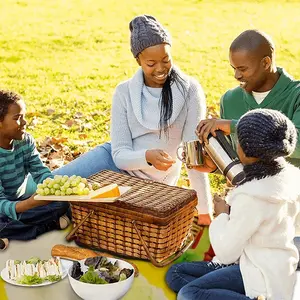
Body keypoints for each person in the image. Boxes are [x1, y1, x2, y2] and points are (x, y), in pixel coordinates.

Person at [53, 15, 212, 224]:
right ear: (138, 60)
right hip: (112, 163)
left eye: (166, 59)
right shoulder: (125, 92)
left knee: (73, 208)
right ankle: (11, 214)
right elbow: (119, 155)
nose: (161, 68)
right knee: (49, 189)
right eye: (151, 63)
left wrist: (204, 211)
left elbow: (193, 157)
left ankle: (58, 217)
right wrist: (146, 156)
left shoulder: (190, 90)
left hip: (150, 185)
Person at [166, 108, 300, 300]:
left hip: (260, 275)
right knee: (176, 274)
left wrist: (222, 215)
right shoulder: (291, 177)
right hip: (272, 266)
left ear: (244, 150)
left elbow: (226, 252)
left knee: (189, 293)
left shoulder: (252, 196)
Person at [195, 29, 300, 261]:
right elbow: (242, 160)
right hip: (247, 206)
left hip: (289, 210)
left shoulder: (296, 95)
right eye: (233, 68)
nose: (236, 76)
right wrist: (214, 165)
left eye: (243, 69)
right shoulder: (230, 100)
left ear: (266, 62)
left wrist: (234, 126)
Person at [0, 90, 70, 249]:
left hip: (20, 201)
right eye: (17, 118)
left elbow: (40, 171)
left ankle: (11, 232)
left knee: (62, 203)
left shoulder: (25, 141)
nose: (24, 122)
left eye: (24, 116)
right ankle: (46, 226)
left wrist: (54, 190)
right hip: (5, 207)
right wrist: (29, 204)